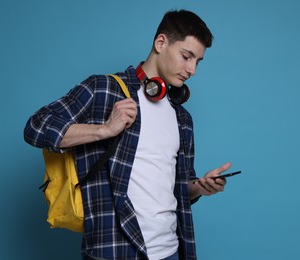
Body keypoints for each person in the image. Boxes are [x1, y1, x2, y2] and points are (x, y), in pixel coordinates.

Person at [24, 9, 232, 260]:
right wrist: (104, 130)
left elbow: (179, 189)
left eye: (197, 62)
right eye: (186, 56)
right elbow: (36, 127)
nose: (192, 70)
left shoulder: (182, 119)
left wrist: (200, 187)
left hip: (171, 251)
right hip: (114, 250)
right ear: (161, 43)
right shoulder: (104, 89)